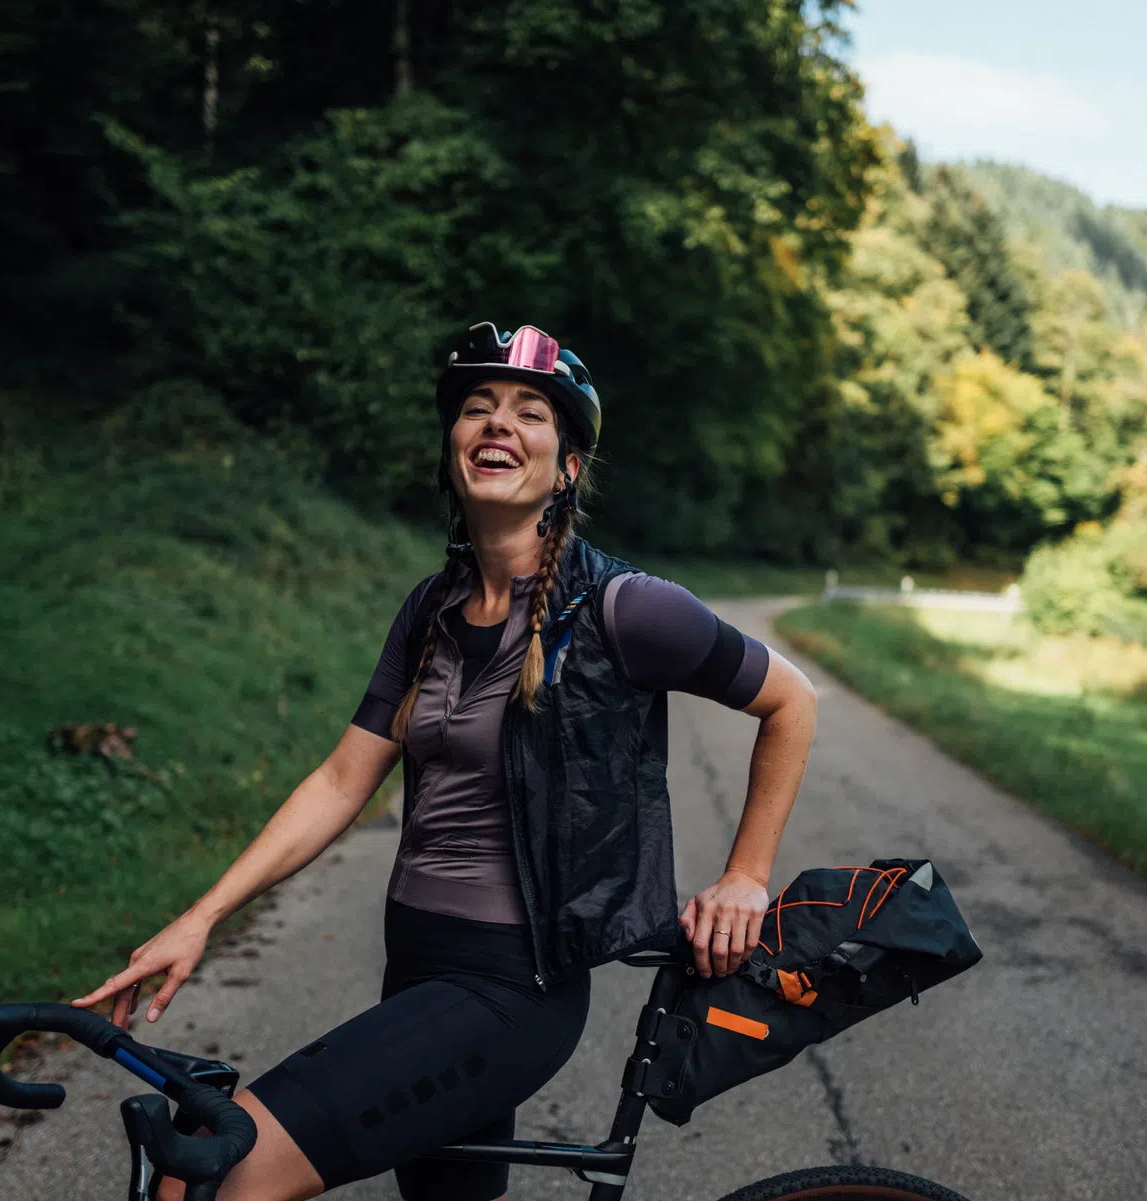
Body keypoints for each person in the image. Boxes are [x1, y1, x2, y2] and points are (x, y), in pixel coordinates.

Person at [73, 322, 819, 1201]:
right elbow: (341, 780)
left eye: (530, 413)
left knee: (210, 1171)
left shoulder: (624, 609)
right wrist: (202, 917)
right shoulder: (430, 609)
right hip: (417, 968)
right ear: (453, 448)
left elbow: (792, 701)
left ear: (567, 467)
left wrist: (746, 876)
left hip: (509, 991)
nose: (498, 422)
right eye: (478, 407)